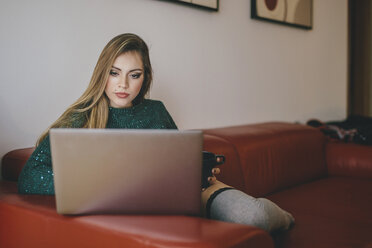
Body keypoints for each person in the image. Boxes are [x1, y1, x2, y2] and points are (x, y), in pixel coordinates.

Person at [18, 33, 294, 233]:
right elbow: (30, 176)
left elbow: (176, 154)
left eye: (134, 74)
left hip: (186, 193)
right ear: (102, 73)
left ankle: (287, 218)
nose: (122, 84)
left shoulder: (156, 110)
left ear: (145, 77)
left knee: (256, 217)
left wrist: (199, 165)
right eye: (114, 73)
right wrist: (100, 186)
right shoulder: (80, 118)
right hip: (136, 207)